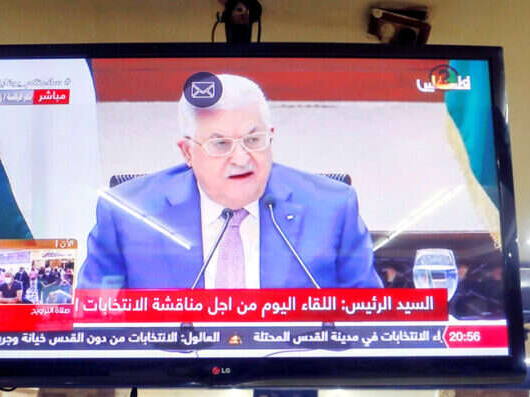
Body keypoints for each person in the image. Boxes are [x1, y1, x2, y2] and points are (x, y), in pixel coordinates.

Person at [78, 73, 382, 290]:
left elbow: (368, 320)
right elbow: (93, 321)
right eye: (220, 144)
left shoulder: (332, 208)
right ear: (187, 152)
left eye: (254, 139)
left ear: (271, 137)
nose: (241, 158)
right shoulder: (126, 214)